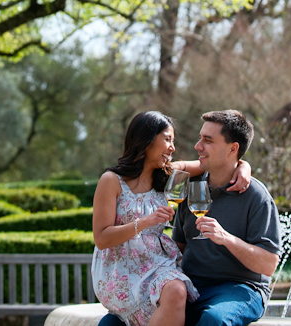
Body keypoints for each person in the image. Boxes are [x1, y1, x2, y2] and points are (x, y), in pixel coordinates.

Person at [92, 111, 252, 326]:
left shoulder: (170, 176)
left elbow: (214, 163)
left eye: (173, 141)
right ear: (146, 140)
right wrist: (145, 222)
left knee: (177, 289)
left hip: (157, 264)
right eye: (167, 139)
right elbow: (101, 238)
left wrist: (244, 166)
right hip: (120, 270)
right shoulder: (112, 180)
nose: (172, 148)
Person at [172, 110, 281, 326]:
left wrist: (226, 238)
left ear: (233, 149)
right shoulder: (191, 187)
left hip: (241, 288)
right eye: (200, 137)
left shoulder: (256, 196)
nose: (198, 146)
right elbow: (179, 247)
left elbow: (269, 265)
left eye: (207, 140)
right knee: (118, 320)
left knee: (213, 320)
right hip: (191, 286)